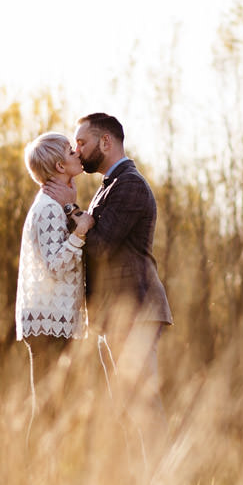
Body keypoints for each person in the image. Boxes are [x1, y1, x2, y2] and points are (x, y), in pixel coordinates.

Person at [42, 113, 171, 439]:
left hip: (135, 309)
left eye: (82, 142)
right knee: (127, 406)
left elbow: (100, 247)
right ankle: (144, 484)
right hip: (116, 313)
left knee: (142, 403)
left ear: (106, 142)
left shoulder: (129, 185)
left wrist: (71, 209)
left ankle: (164, 484)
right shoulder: (110, 185)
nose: (77, 150)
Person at [14, 132, 94, 428]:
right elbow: (56, 265)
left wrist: (73, 210)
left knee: (58, 405)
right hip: (47, 320)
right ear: (60, 166)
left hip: (56, 319)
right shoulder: (47, 209)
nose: (78, 154)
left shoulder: (57, 204)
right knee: (48, 408)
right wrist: (80, 232)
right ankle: (34, 473)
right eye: (71, 151)